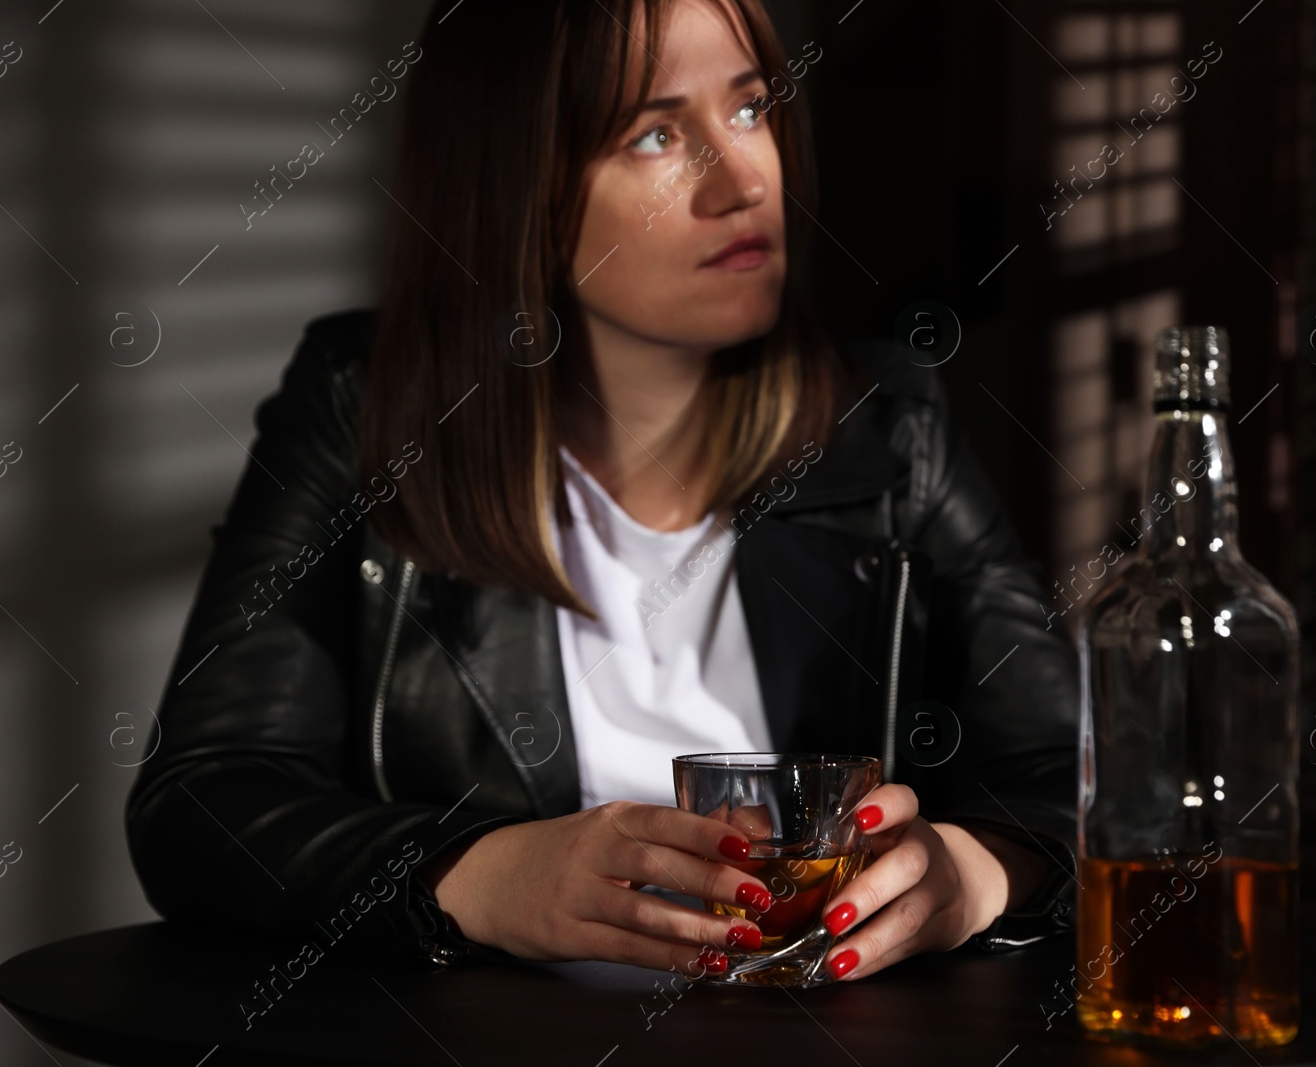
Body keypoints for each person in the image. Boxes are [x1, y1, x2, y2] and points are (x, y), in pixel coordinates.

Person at [125, 0, 1080, 985]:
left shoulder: (887, 427)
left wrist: (977, 872)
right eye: (657, 134)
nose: (742, 178)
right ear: (517, 189)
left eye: (751, 110)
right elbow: (202, 802)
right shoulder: (359, 409)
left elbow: (1086, 775)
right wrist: (485, 875)